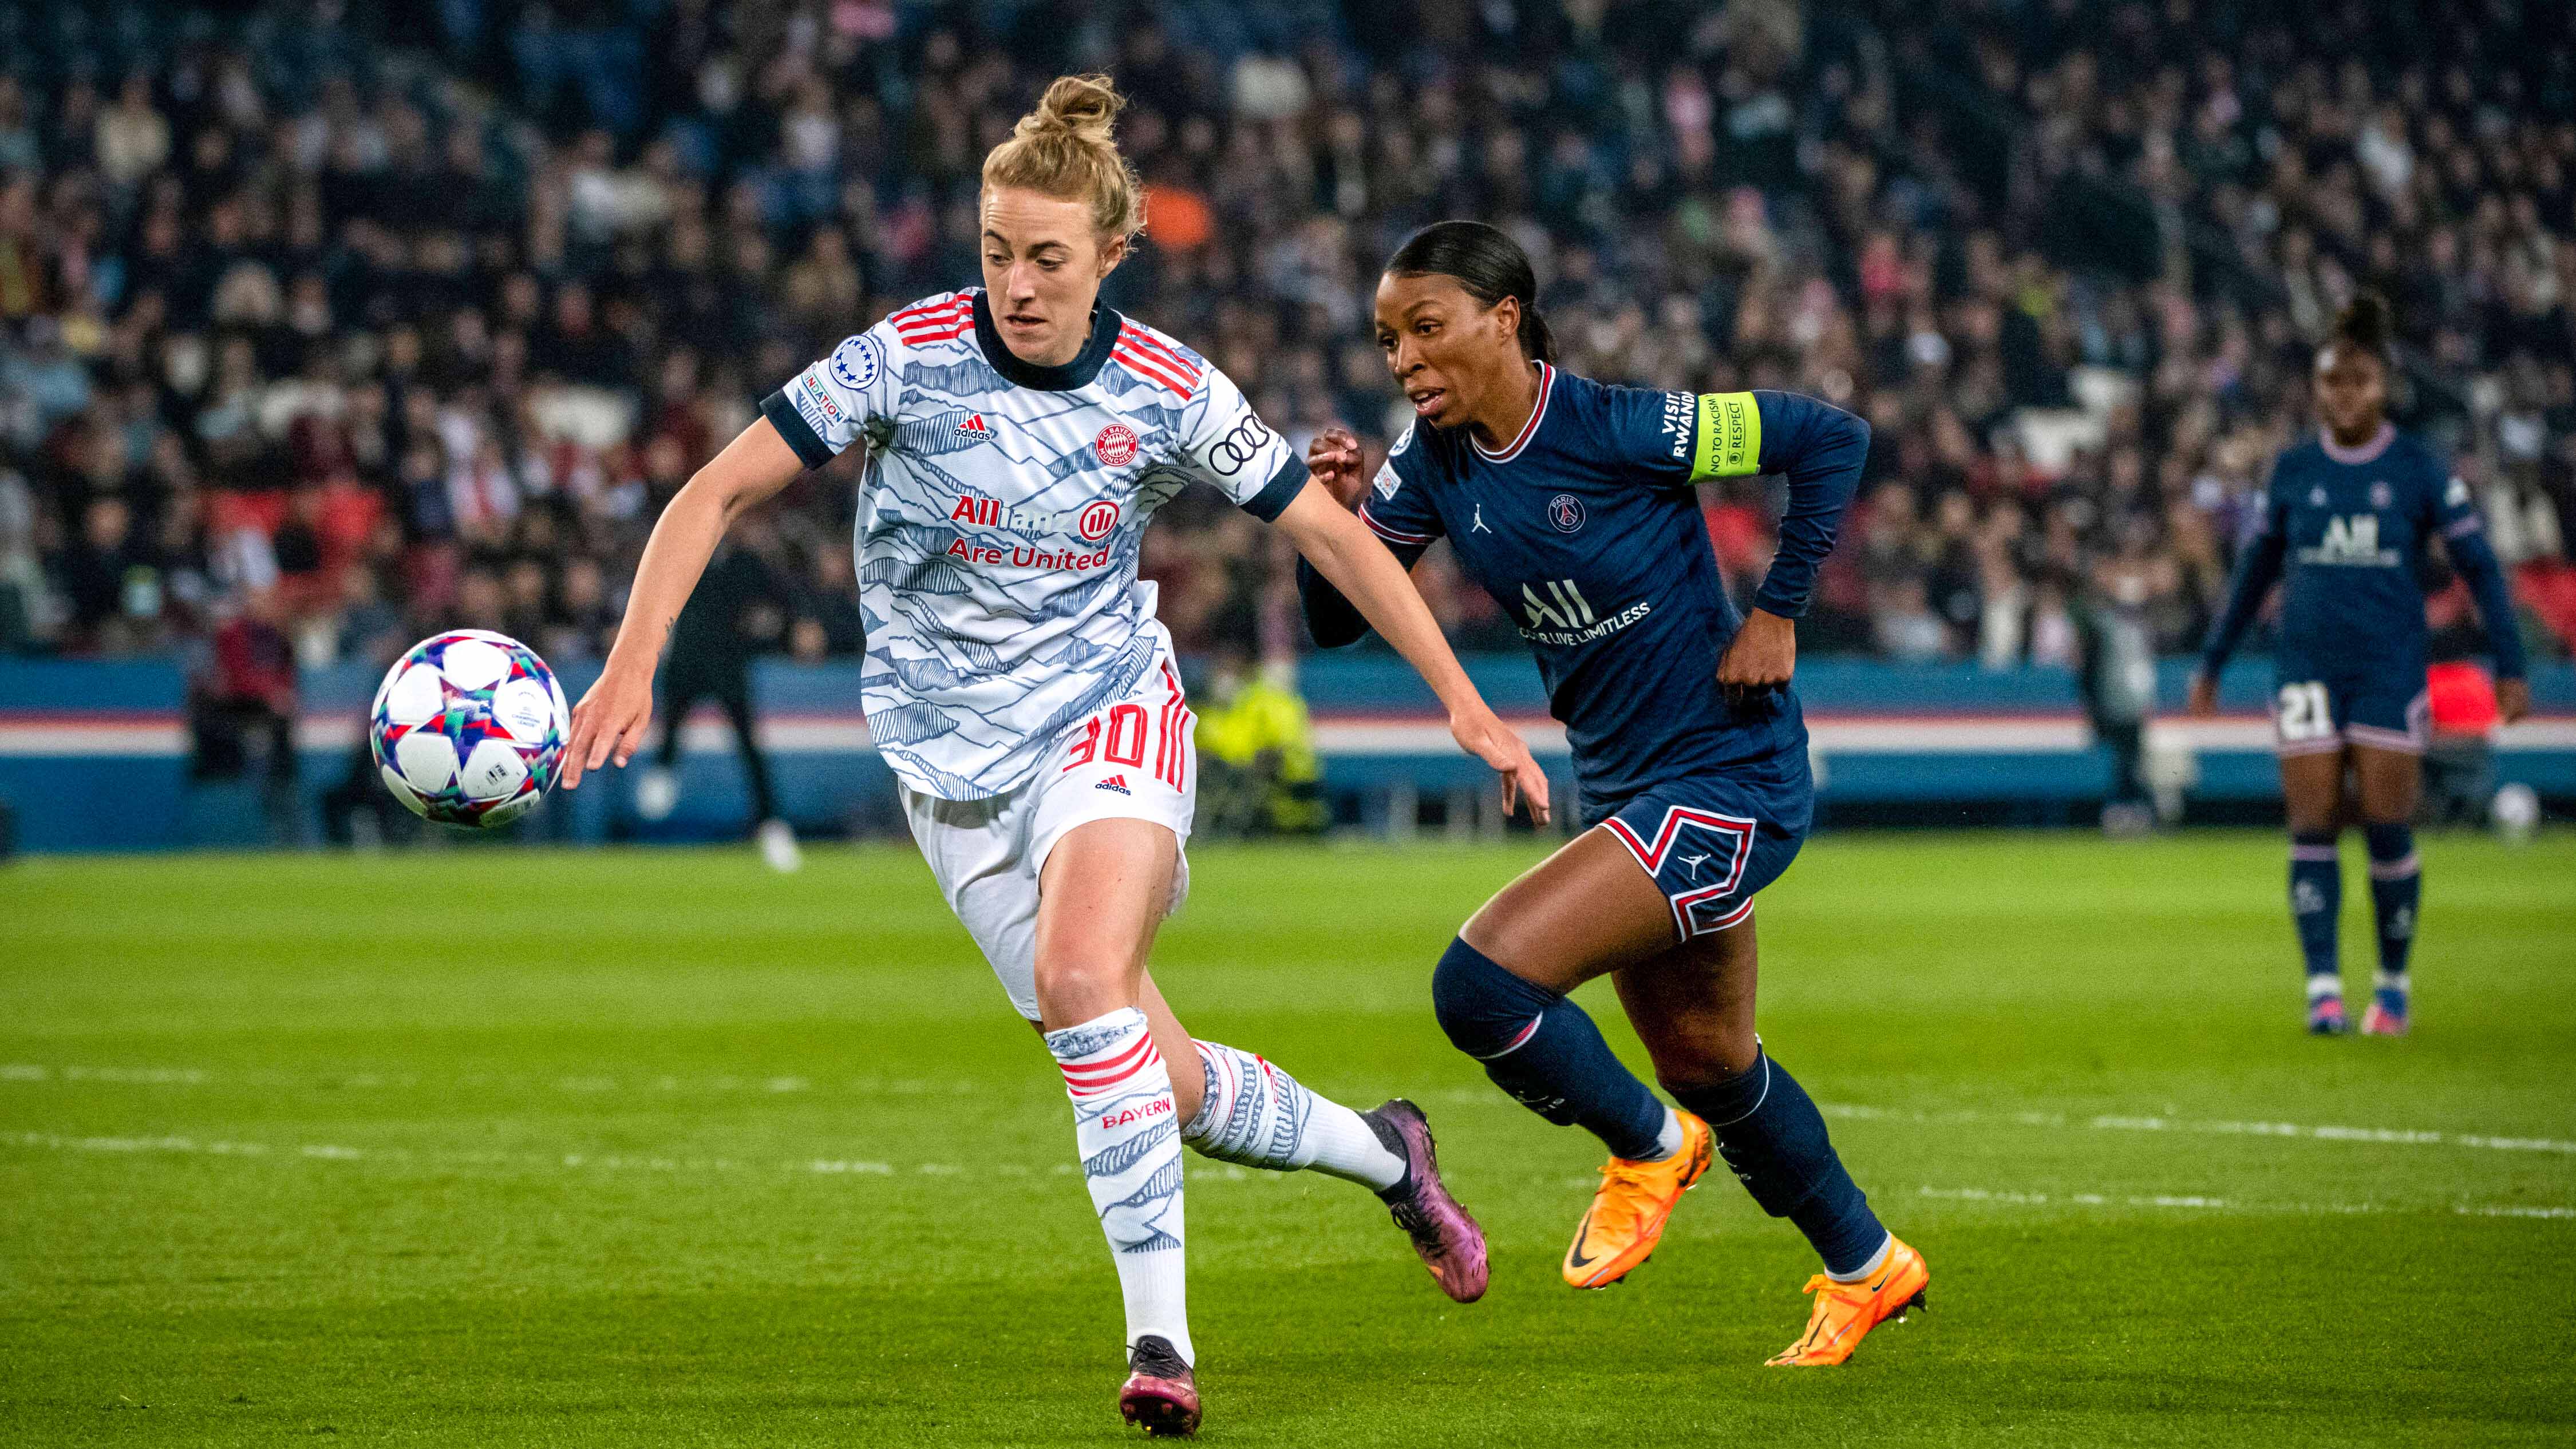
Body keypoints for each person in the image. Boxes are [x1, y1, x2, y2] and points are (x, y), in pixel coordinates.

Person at [558, 77, 1549, 1438]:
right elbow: (713, 488)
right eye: (995, 253)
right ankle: (1386, 1152)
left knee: (1083, 976)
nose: (1016, 285)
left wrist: (1463, 700)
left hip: (1107, 716)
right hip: (947, 771)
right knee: (1141, 1063)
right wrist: (633, 654)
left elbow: (1327, 534)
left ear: (1106, 257)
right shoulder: (897, 360)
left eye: (1046, 258)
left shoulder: (1166, 390)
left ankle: (1162, 1344)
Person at [1300, 221, 1922, 1368]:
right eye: (1389, 340)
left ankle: (1645, 1147)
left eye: (1425, 330)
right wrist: (1331, 522)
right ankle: (1868, 1266)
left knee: (1479, 986)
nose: (1403, 361)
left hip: (1727, 781)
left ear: (1506, 316)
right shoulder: (1430, 459)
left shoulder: (1624, 427)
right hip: (1633, 793)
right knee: (1710, 1061)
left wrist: (1780, 609)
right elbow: (1333, 616)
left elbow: (1829, 437)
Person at [2189, 294, 2530, 1036]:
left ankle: (2393, 988)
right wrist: (2214, 658)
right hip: (2307, 667)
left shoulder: (2418, 470)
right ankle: (2323, 992)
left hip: (2387, 667)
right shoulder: (2293, 470)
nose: (2346, 396)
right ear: (2317, 390)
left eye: (2360, 383)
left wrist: (2510, 660)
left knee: (2385, 821)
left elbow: (2481, 566)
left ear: (2384, 388)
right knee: (2312, 823)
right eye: (2333, 384)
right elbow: (2254, 572)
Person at [629, 521, 801, 872]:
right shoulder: (685, 550)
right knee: (672, 730)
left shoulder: (746, 563)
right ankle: (664, 767)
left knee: (749, 746)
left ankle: (770, 825)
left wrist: (771, 628)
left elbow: (779, 606)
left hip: (727, 660)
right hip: (688, 658)